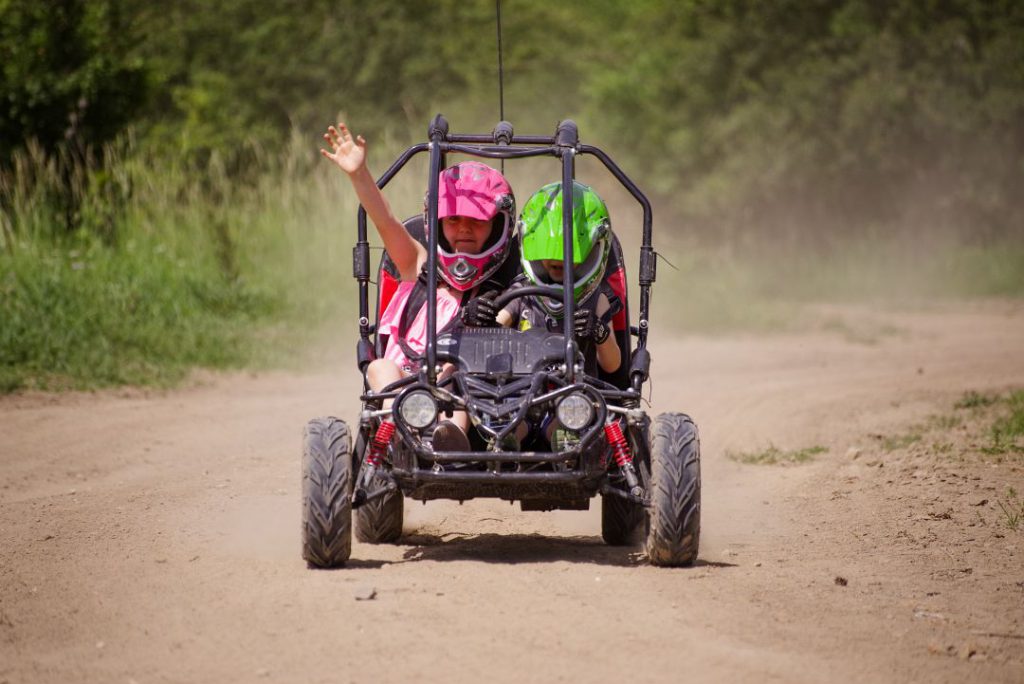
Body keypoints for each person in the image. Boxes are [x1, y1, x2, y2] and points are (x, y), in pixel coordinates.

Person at [320, 122, 516, 454]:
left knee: (460, 377)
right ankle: (400, 430)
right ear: (437, 223)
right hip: (405, 387)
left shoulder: (501, 288)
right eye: (453, 220)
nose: (463, 230)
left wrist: (487, 321)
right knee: (380, 367)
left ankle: (448, 435)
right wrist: (359, 174)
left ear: (497, 226)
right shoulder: (417, 263)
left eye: (476, 222)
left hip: (458, 390)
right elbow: (385, 220)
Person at [464, 180, 622, 448]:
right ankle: (506, 441)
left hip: (573, 399)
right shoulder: (522, 293)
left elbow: (612, 365)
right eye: (549, 257)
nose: (557, 262)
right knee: (508, 414)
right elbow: (496, 329)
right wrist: (480, 319)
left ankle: (565, 443)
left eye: (567, 258)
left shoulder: (596, 300)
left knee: (571, 414)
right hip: (521, 396)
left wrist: (599, 332)